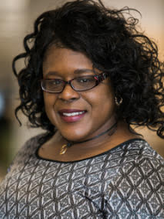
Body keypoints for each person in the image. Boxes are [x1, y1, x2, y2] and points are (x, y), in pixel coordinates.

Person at [0, 0, 164, 218]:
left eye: (85, 80)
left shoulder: (139, 172)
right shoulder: (33, 147)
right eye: (54, 81)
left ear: (118, 82)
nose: (67, 94)